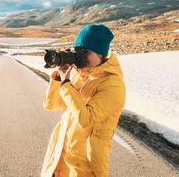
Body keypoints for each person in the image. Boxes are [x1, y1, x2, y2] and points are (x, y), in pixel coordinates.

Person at [41, 23, 126, 177]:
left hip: (85, 167)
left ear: (101, 54)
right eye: (77, 51)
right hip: (59, 158)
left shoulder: (113, 85)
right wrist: (59, 78)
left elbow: (86, 119)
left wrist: (66, 86)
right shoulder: (78, 75)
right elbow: (50, 105)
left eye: (84, 52)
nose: (79, 57)